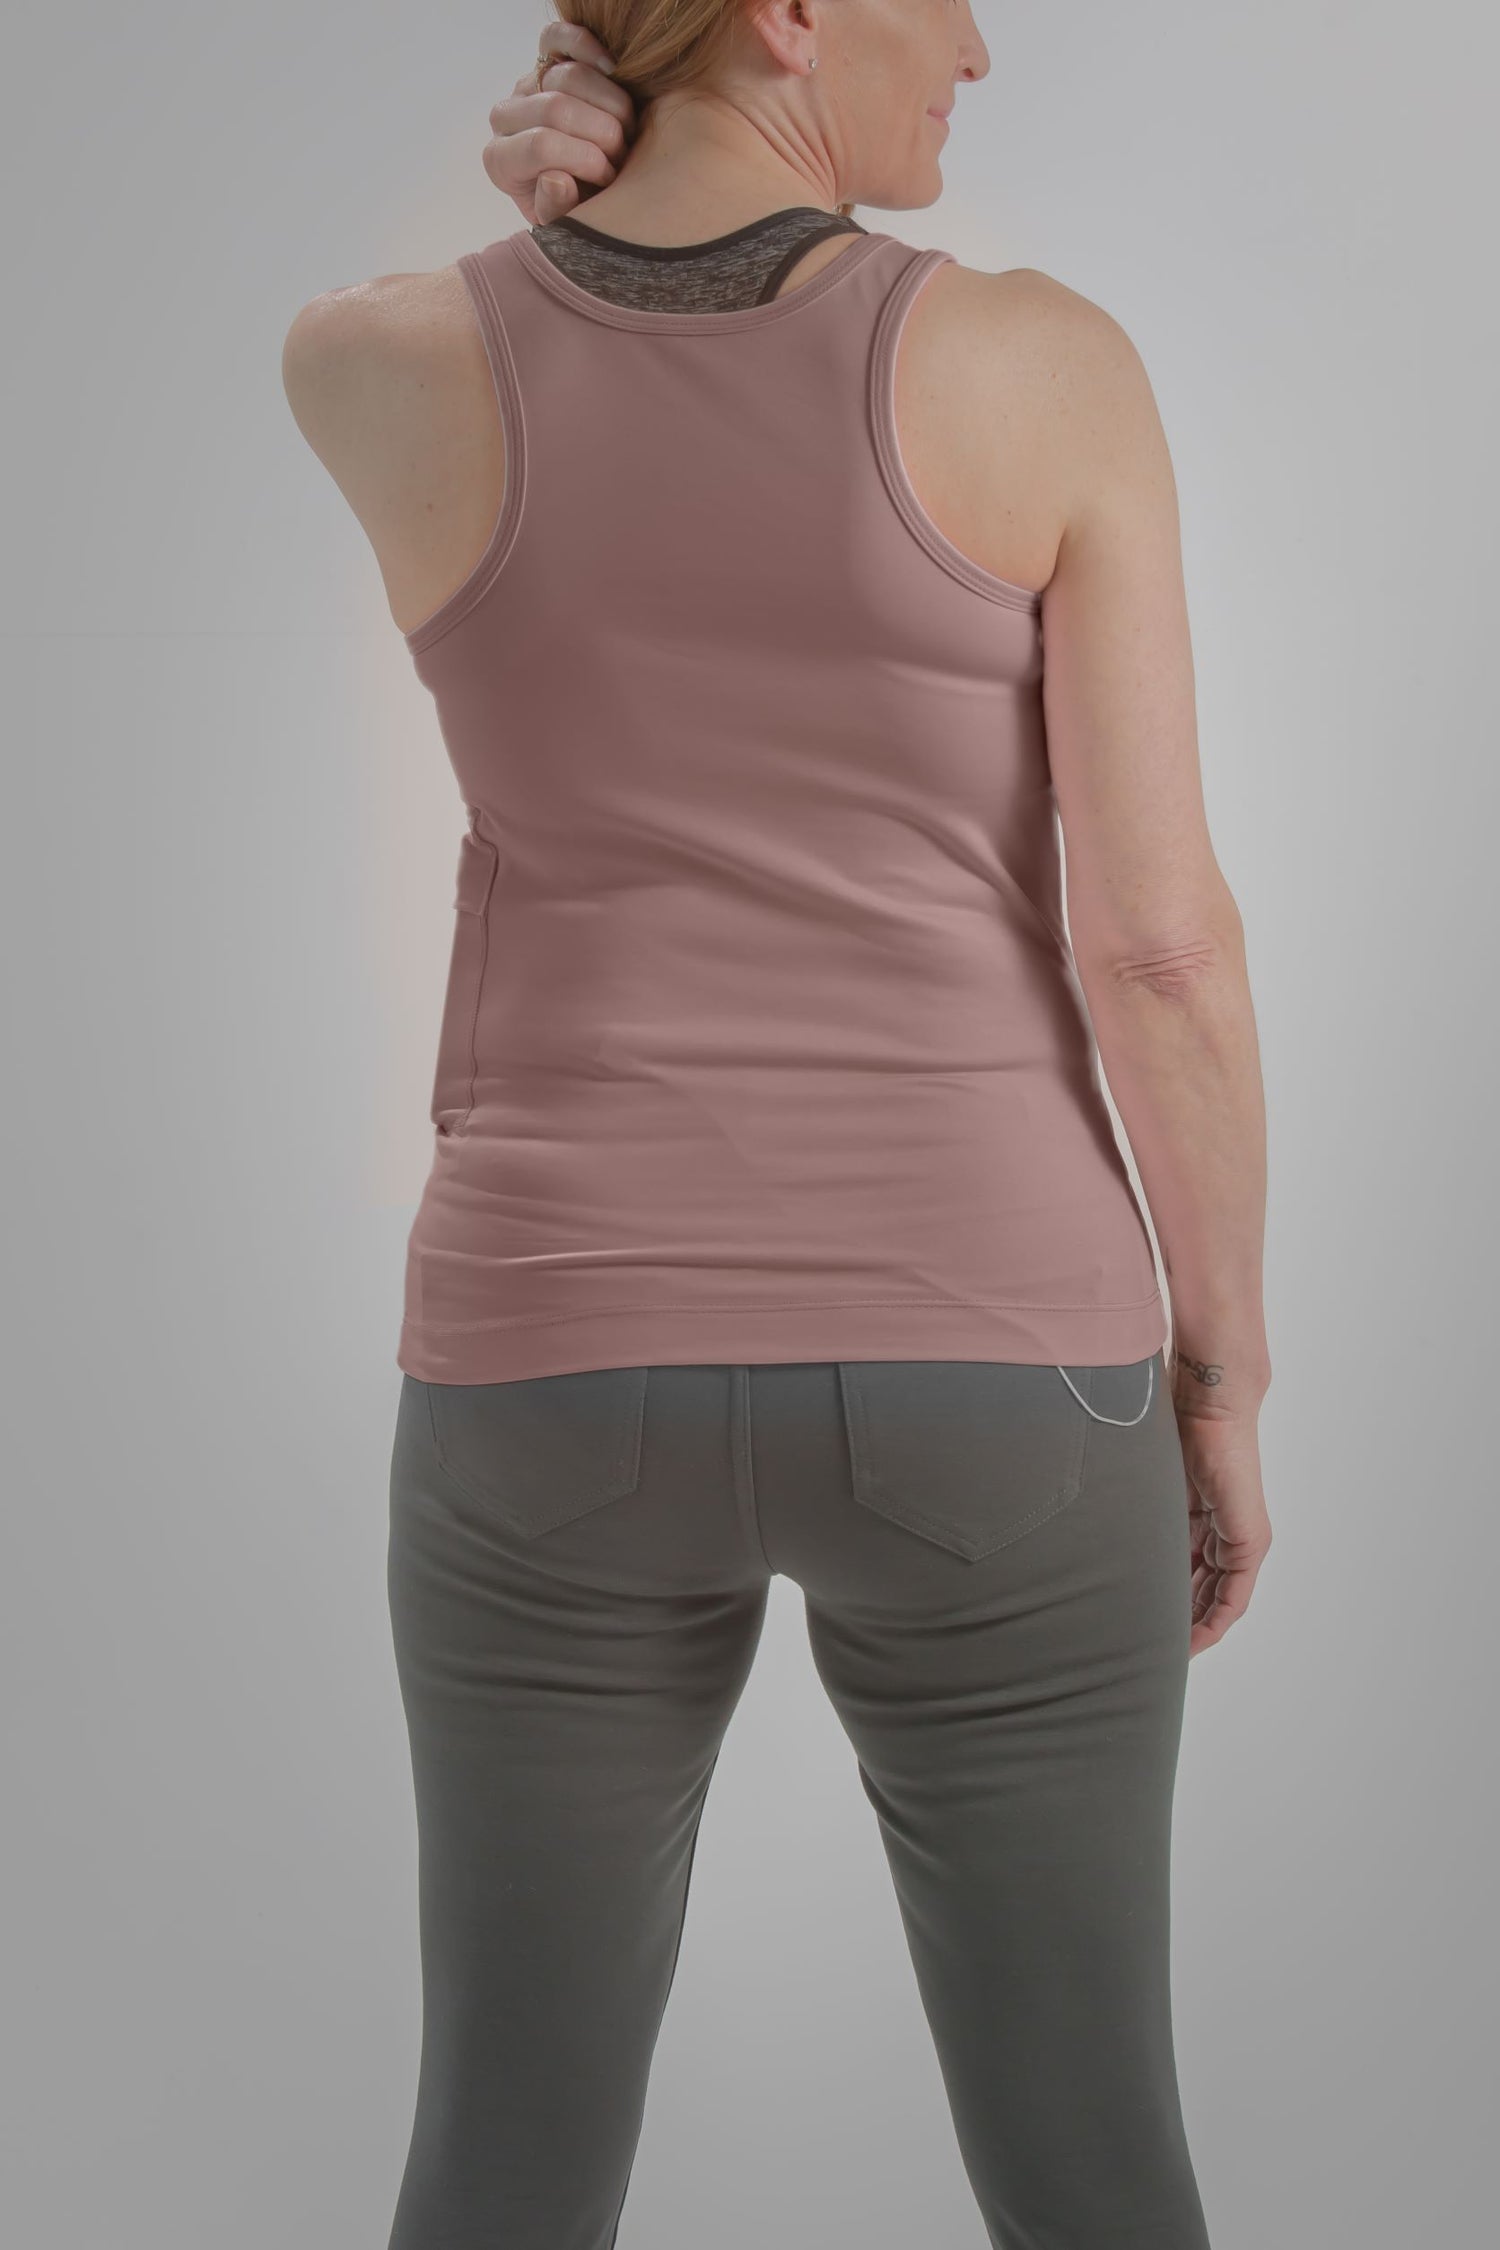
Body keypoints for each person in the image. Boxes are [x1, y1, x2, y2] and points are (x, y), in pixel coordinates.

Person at [281, 4, 1273, 2244]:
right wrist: (1219, 1373)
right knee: (1096, 2167)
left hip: (549, 1359)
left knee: (502, 2159)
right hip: (1003, 1376)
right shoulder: (1040, 367)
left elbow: (440, 323)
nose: (984, 46)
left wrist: (562, 197)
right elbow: (1159, 949)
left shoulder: (379, 366)